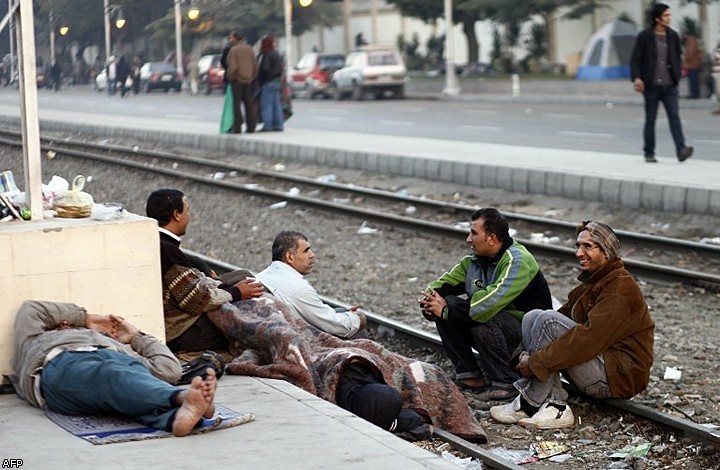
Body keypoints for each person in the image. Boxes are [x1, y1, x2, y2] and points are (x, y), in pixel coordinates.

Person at [490, 221, 655, 430]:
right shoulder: (592, 284)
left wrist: (536, 362)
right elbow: (559, 318)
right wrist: (524, 353)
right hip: (600, 366)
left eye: (587, 246)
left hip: (617, 376)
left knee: (547, 320)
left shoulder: (620, 288)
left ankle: (540, 404)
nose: (579, 253)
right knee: (533, 316)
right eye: (578, 246)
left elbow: (590, 339)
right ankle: (547, 402)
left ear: (606, 252)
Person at [11, 300, 217, 437]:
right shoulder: (37, 341)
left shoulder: (118, 348)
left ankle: (177, 417)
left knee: (126, 386)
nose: (66, 325)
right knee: (111, 374)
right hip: (62, 364)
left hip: (114, 362)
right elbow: (32, 309)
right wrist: (84, 318)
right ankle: (179, 398)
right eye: (62, 323)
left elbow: (170, 370)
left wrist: (136, 338)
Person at [419, 208, 552, 401]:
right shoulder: (472, 261)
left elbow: (488, 305)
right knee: (446, 304)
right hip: (498, 330)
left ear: (491, 238)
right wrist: (430, 303)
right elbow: (439, 286)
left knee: (479, 314)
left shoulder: (518, 261)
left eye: (473, 233)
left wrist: (446, 311)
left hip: (527, 339)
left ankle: (505, 382)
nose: (468, 239)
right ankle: (470, 375)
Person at [145, 189, 264, 352]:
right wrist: (236, 293)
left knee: (243, 285)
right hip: (183, 333)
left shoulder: (157, 241)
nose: (189, 216)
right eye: (187, 211)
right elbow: (196, 300)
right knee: (252, 327)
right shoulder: (167, 250)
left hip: (181, 327)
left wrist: (227, 288)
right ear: (176, 215)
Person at [256, 231, 367, 339]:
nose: (312, 255)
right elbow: (338, 328)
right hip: (294, 340)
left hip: (269, 331)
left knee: (340, 311)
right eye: (306, 251)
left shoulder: (262, 275)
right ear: (290, 256)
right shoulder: (298, 288)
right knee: (356, 330)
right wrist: (359, 318)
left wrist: (344, 313)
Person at [630, 3, 693, 163]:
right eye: (666, 16)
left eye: (669, 15)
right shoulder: (645, 36)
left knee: (674, 117)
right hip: (651, 86)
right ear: (657, 18)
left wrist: (677, 75)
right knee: (651, 119)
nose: (669, 18)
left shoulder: (673, 35)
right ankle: (649, 152)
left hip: (670, 85)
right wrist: (637, 78)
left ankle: (681, 149)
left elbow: (678, 57)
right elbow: (635, 59)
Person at [225, 32, 258, 134]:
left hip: (237, 81)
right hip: (248, 80)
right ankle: (251, 126)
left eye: (231, 38)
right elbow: (255, 65)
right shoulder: (249, 49)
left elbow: (233, 67)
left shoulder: (234, 50)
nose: (230, 40)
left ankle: (237, 127)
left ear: (236, 39)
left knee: (236, 105)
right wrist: (251, 77)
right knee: (249, 104)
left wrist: (230, 77)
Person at [257, 34, 284, 132]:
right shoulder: (276, 54)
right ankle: (278, 124)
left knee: (266, 105)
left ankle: (267, 125)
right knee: (276, 104)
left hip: (268, 82)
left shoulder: (266, 54)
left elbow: (265, 69)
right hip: (276, 82)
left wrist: (260, 79)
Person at [682, 31, 701, 99]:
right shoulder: (692, 41)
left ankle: (694, 94)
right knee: (693, 80)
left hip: (692, 64)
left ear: (687, 35)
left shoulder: (691, 42)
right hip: (692, 64)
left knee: (693, 80)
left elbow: (690, 52)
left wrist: (687, 58)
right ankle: (694, 94)